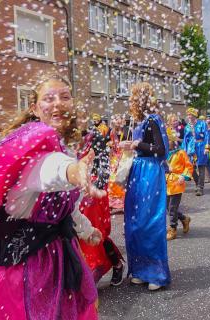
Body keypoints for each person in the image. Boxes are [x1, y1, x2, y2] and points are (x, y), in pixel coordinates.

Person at [0, 74, 101, 319]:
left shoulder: (65, 146)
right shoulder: (31, 147)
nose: (58, 103)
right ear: (35, 108)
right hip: (29, 261)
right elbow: (47, 170)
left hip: (58, 250)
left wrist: (85, 228)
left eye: (65, 97)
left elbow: (67, 207)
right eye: (48, 99)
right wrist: (72, 171)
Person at [120, 82, 170, 291]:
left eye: (135, 97)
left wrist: (135, 144)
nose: (133, 101)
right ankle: (141, 270)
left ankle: (156, 274)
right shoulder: (138, 121)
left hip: (150, 172)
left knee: (150, 222)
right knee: (135, 222)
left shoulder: (153, 120)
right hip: (138, 172)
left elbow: (161, 150)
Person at [78, 117, 124, 287]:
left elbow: (104, 165)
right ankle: (85, 274)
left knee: (95, 232)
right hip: (76, 193)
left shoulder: (94, 137)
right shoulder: (64, 139)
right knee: (77, 234)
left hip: (93, 195)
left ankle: (116, 264)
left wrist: (94, 187)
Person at [165, 128, 193, 241]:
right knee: (168, 207)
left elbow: (188, 166)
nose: (167, 143)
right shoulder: (165, 153)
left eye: (168, 141)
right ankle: (184, 218)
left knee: (172, 207)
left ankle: (173, 229)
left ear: (173, 141)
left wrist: (184, 176)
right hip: (166, 182)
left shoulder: (181, 152)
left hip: (177, 182)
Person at [182, 107, 209, 196]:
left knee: (201, 167)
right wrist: (184, 151)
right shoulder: (187, 127)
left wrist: (207, 147)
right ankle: (197, 183)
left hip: (201, 147)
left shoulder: (202, 124)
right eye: (188, 114)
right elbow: (185, 139)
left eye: (190, 114)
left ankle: (200, 188)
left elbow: (206, 135)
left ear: (194, 115)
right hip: (191, 149)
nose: (189, 116)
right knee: (191, 168)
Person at [108, 114, 127, 211]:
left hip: (124, 157)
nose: (118, 121)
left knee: (122, 180)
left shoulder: (127, 131)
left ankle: (123, 203)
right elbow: (111, 147)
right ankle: (111, 203)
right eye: (116, 120)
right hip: (115, 158)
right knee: (112, 180)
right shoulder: (112, 132)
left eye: (120, 119)